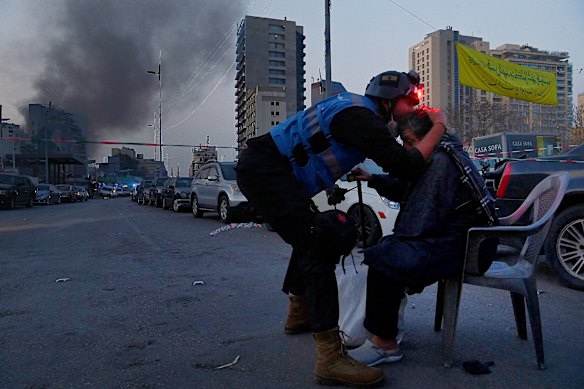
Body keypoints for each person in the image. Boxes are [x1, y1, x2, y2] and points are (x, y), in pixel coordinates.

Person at [236, 70, 448, 387]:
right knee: (324, 238)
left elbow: (319, 149)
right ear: (390, 101)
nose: (415, 110)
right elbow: (405, 165)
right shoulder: (362, 118)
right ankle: (330, 358)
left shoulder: (354, 109)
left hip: (270, 170)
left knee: (309, 235)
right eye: (411, 102)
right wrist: (440, 126)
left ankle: (299, 312)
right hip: (267, 172)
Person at [347, 109, 498, 367]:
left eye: (408, 141)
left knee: (386, 260)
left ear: (427, 137)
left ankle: (385, 344)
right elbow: (409, 188)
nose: (405, 149)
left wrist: (395, 246)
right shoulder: (440, 155)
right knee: (388, 251)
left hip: (469, 248)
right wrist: (374, 179)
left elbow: (421, 216)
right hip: (458, 240)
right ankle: (386, 330)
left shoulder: (441, 162)